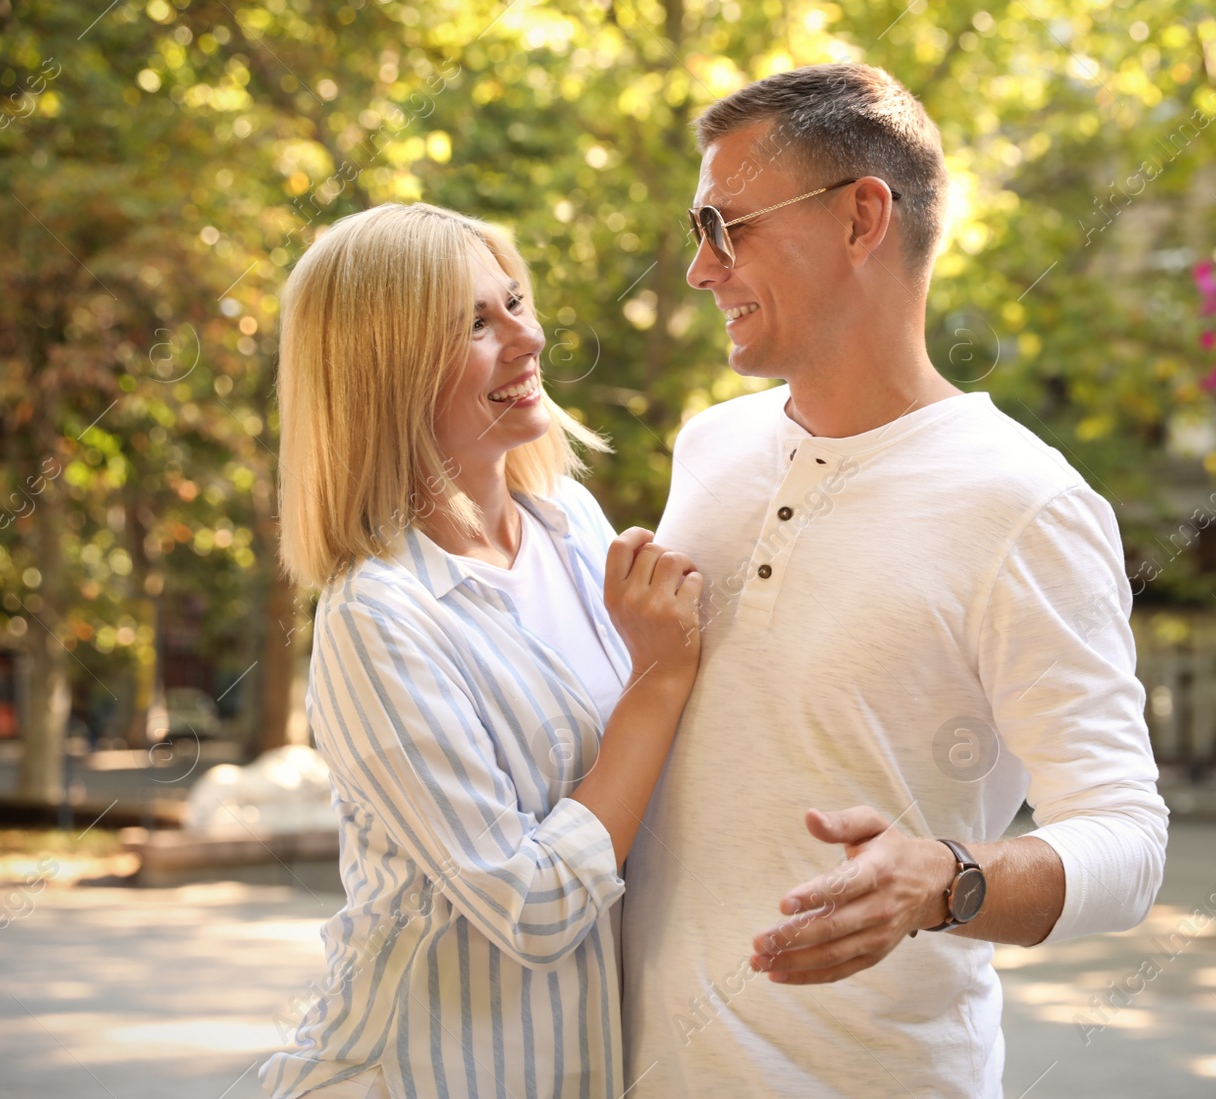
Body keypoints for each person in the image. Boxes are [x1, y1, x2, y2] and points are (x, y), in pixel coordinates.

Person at [619, 63, 1170, 1097]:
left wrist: (949, 878)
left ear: (861, 218)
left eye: (724, 226)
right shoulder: (709, 449)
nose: (700, 269)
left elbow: (1128, 841)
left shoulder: (1025, 506)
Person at [259, 202, 702, 1099]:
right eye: (474, 324)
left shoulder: (575, 527)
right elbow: (531, 906)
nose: (526, 337)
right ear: (387, 373)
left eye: (515, 301)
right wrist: (657, 681)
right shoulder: (378, 619)